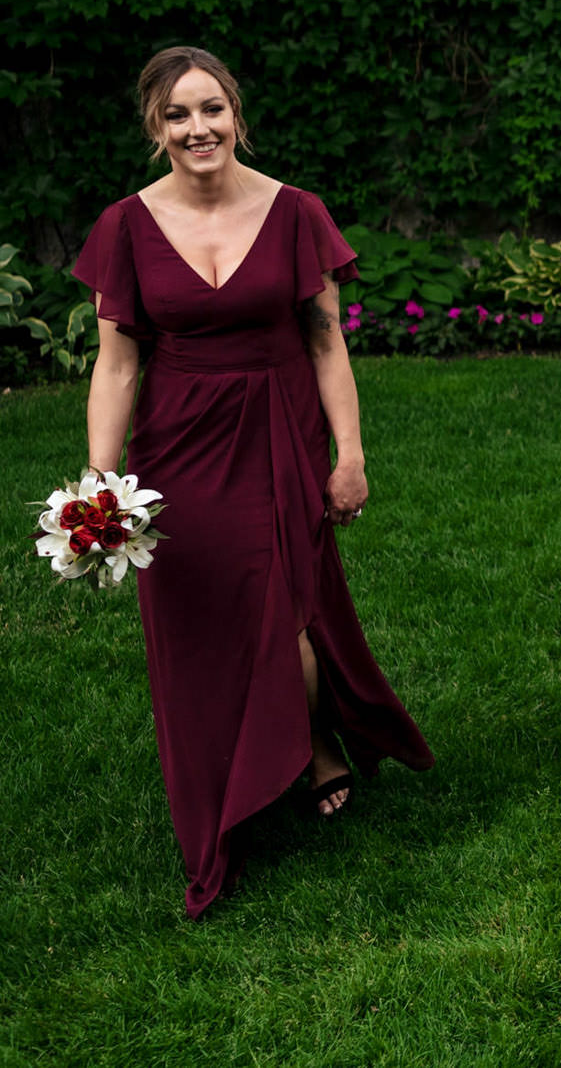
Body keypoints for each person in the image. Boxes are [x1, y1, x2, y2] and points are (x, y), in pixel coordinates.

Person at [73, 46, 432, 917]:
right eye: (178, 116)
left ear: (237, 113)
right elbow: (118, 365)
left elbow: (324, 342)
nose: (199, 129)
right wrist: (100, 479)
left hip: (281, 428)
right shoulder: (124, 226)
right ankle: (228, 777)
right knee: (204, 616)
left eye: (212, 110)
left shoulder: (295, 211)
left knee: (289, 601)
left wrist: (349, 454)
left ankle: (309, 740)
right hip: (180, 445)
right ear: (156, 130)